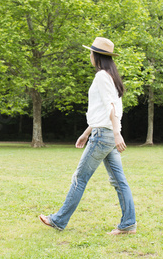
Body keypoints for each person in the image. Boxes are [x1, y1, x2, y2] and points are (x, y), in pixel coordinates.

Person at [39, 37, 136, 235]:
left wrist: (117, 134)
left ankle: (58, 220)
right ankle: (128, 223)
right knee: (119, 181)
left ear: (97, 55)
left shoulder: (101, 76)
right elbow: (103, 112)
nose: (89, 55)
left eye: (91, 52)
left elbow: (111, 108)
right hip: (105, 134)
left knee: (79, 178)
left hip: (104, 137)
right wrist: (85, 134)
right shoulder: (111, 77)